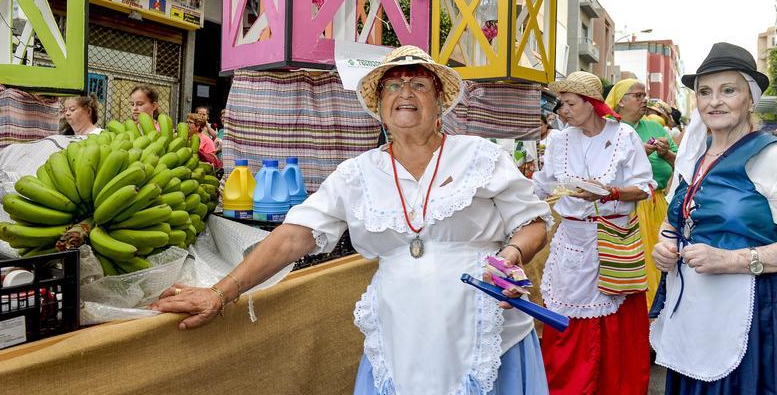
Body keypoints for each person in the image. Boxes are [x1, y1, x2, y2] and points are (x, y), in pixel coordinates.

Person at [151, 46, 553, 394]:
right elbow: (294, 237)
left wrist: (511, 255)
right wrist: (222, 292)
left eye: (418, 84)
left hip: (484, 323)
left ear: (439, 103)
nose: (404, 93)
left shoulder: (478, 155)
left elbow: (533, 222)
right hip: (402, 332)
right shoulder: (356, 174)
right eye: (392, 86)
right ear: (379, 107)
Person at [650, 42, 777, 393]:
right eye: (704, 92)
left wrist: (732, 259)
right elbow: (677, 220)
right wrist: (664, 246)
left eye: (728, 90)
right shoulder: (695, 157)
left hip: (757, 316)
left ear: (750, 99)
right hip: (696, 312)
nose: (714, 101)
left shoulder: (775, 158)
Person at [533, 71, 655, 395]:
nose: (563, 111)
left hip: (613, 242)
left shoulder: (624, 136)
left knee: (615, 323)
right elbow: (541, 186)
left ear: (591, 104)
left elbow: (644, 188)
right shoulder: (558, 140)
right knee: (565, 321)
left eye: (571, 103)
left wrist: (611, 193)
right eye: (562, 104)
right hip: (571, 241)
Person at [605, 79, 677, 309]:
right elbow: (603, 173)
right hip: (622, 208)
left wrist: (666, 154)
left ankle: (656, 314)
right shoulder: (606, 128)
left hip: (656, 206)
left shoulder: (655, 127)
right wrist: (636, 155)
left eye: (644, 95)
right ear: (620, 102)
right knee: (630, 266)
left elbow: (681, 165)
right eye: (637, 95)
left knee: (658, 262)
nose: (644, 100)